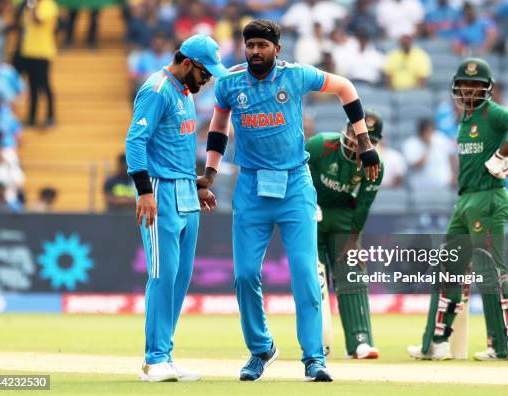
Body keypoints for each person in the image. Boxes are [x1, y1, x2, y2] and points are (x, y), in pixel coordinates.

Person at [198, 19, 381, 382]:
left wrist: (364, 142)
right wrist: (209, 175)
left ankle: (314, 358)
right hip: (250, 188)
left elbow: (344, 87)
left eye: (262, 46)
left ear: (276, 50)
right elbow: (219, 128)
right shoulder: (231, 82)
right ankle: (260, 349)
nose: (254, 51)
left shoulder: (295, 75)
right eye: (249, 45)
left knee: (304, 275)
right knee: (245, 274)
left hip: (295, 185)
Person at [407, 58, 508, 361]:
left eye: (475, 85)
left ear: (486, 88)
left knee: (490, 270)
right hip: (465, 201)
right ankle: (435, 342)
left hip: (488, 199)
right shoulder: (465, 117)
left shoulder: (492, 112)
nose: (469, 89)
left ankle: (505, 344)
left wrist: (502, 155)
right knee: (448, 267)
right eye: (464, 84)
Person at [125, 34, 226, 382]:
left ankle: (165, 355)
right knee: (162, 274)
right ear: (187, 64)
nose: (208, 79)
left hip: (184, 190)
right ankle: (153, 360)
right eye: (204, 72)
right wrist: (143, 192)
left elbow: (177, 146)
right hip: (158, 191)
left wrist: (195, 185)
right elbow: (135, 141)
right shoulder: (156, 90)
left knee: (180, 278)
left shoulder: (184, 92)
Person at [306, 110, 384, 359]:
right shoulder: (320, 146)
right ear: (347, 130)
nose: (360, 142)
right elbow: (297, 174)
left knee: (352, 275)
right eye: (357, 134)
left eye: (368, 139)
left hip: (344, 222)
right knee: (312, 278)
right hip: (311, 215)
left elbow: (363, 206)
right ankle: (315, 342)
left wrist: (352, 242)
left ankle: (360, 342)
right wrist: (305, 205)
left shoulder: (375, 166)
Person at [20, 0, 58, 128]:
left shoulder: (48, 5)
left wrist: (33, 6)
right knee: (32, 86)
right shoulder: (28, 5)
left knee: (44, 85)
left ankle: (50, 117)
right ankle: (31, 117)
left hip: (42, 52)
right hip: (29, 51)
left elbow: (38, 20)